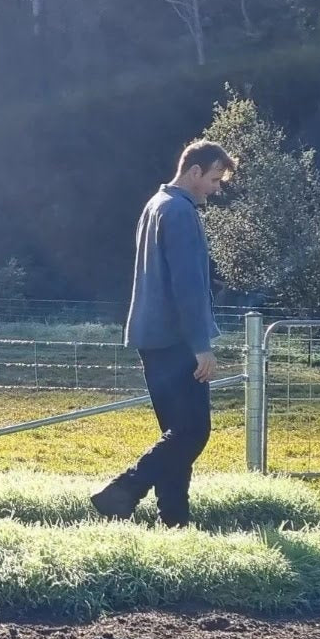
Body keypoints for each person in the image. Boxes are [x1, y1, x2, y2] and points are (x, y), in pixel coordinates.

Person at [90, 140, 236, 527]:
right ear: (194, 172)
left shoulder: (155, 206)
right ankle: (122, 491)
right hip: (176, 340)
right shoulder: (180, 212)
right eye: (215, 179)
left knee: (176, 435)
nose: (217, 189)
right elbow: (187, 286)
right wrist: (201, 346)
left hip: (151, 338)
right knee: (193, 431)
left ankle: (174, 520)